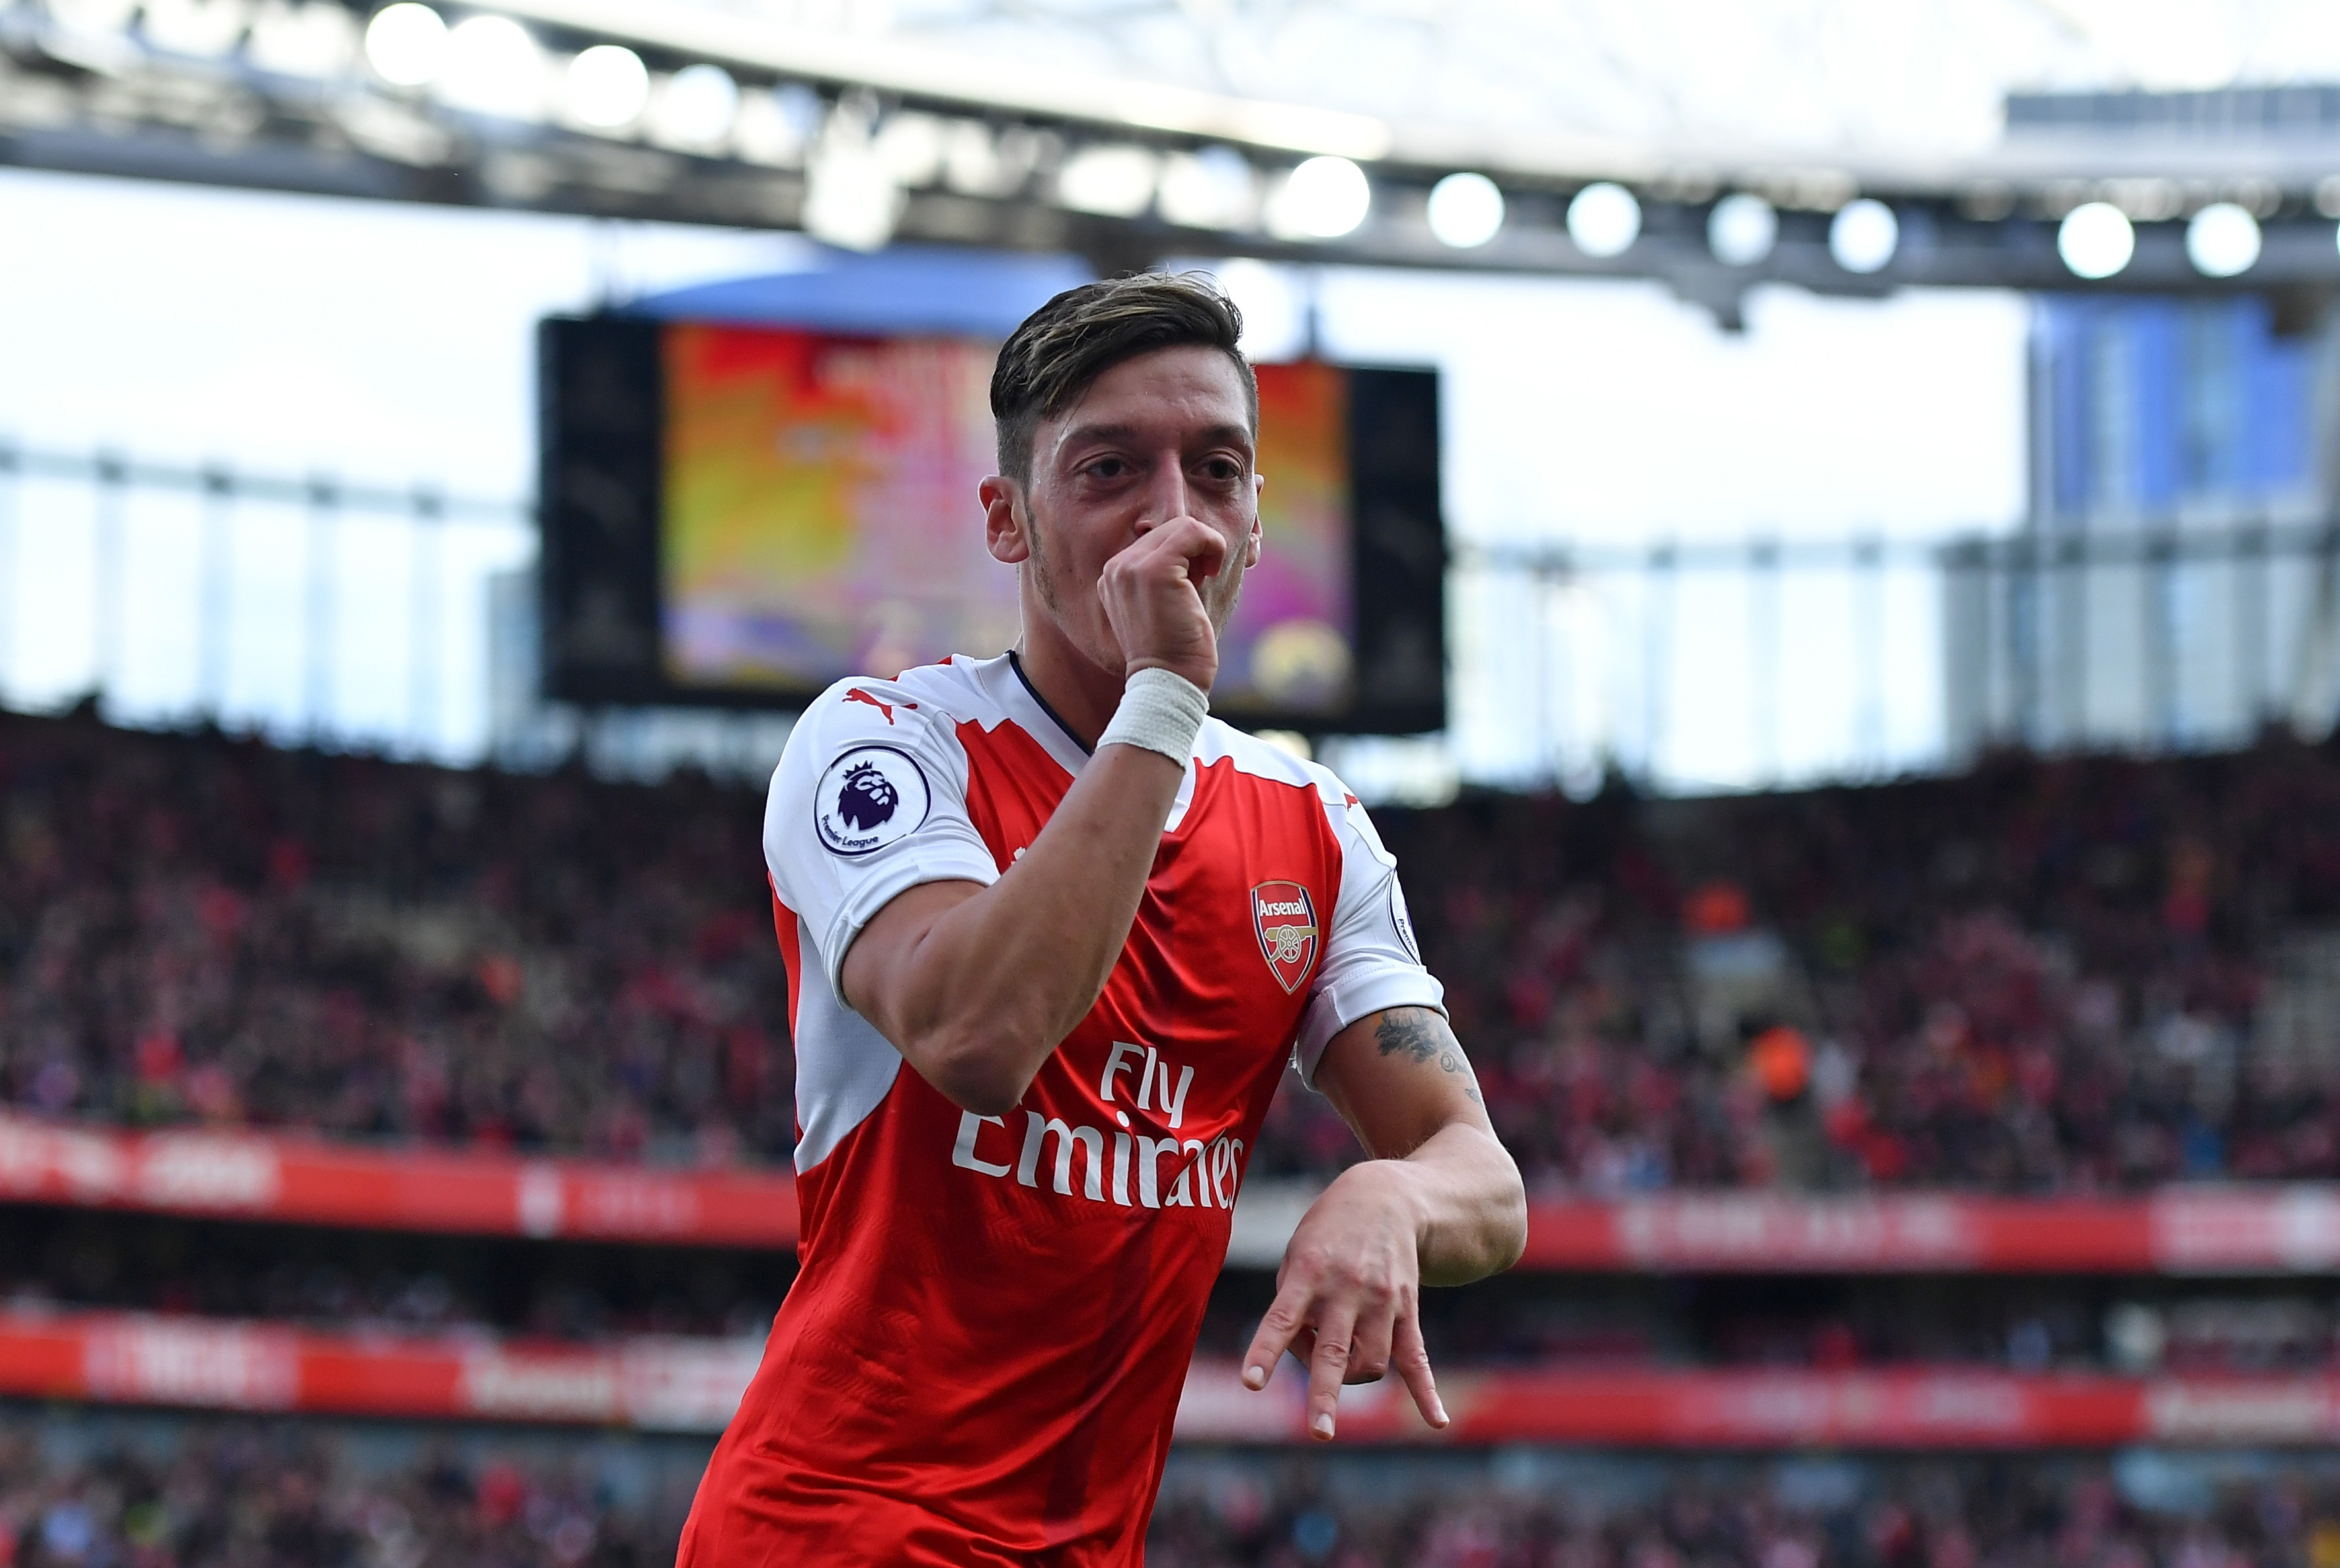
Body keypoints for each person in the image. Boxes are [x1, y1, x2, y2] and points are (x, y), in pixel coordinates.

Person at [678, 272, 1526, 1566]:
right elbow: (977, 1036)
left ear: (1256, 523)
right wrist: (1164, 696)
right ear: (1008, 520)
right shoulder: (884, 743)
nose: (1173, 518)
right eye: (1110, 470)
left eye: (1217, 472)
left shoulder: (1313, 827)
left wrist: (1396, 1197)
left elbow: (1485, 1180)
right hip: (834, 1535)